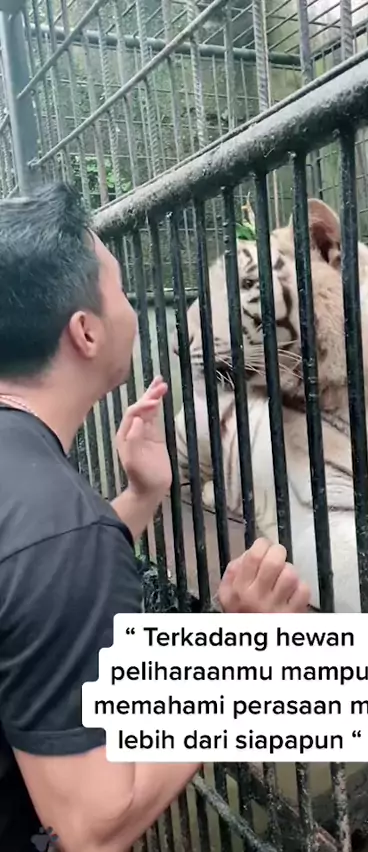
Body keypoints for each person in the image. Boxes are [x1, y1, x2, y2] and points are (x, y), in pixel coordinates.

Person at [0, 182, 311, 852]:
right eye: (119, 290)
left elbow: (25, 586)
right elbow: (91, 830)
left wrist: (140, 498)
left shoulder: (28, 493)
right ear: (85, 332)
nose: (132, 309)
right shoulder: (57, 526)